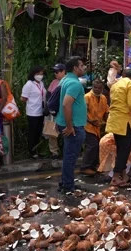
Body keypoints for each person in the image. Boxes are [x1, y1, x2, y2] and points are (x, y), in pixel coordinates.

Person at [106, 68, 131, 186]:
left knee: (121, 149)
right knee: (125, 149)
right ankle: (115, 177)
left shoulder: (115, 84)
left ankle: (124, 175)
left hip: (114, 120)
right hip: (123, 121)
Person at [56, 56, 87, 194]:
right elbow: (66, 104)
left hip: (66, 123)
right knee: (70, 156)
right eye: (82, 65)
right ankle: (68, 185)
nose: (84, 67)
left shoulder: (64, 80)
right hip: (73, 126)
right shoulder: (75, 84)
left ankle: (66, 182)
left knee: (68, 155)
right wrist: (70, 127)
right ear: (75, 68)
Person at [80, 79, 109, 175]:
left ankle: (93, 166)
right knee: (92, 146)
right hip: (87, 126)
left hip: (98, 126)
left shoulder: (103, 98)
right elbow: (82, 112)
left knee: (97, 146)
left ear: (102, 88)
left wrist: (107, 123)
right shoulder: (87, 97)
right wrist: (90, 121)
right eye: (95, 87)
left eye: (99, 88)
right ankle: (85, 167)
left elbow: (106, 111)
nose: (97, 89)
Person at [21, 66, 46, 159]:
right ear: (33, 74)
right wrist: (31, 102)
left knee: (38, 132)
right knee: (32, 132)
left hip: (41, 111)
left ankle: (37, 149)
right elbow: (23, 98)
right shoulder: (29, 84)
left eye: (41, 74)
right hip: (32, 112)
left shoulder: (41, 83)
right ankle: (31, 151)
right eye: (38, 74)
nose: (40, 76)